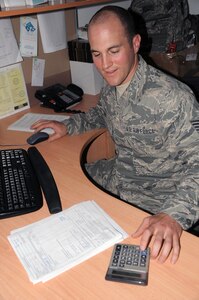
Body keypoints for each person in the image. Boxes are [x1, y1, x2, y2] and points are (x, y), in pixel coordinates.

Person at [31, 6, 199, 264]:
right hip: (119, 179)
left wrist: (174, 216)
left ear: (134, 43)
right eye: (96, 54)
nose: (105, 65)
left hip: (157, 200)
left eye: (113, 51)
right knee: (53, 190)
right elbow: (101, 113)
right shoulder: (114, 86)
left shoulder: (174, 99)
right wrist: (69, 126)